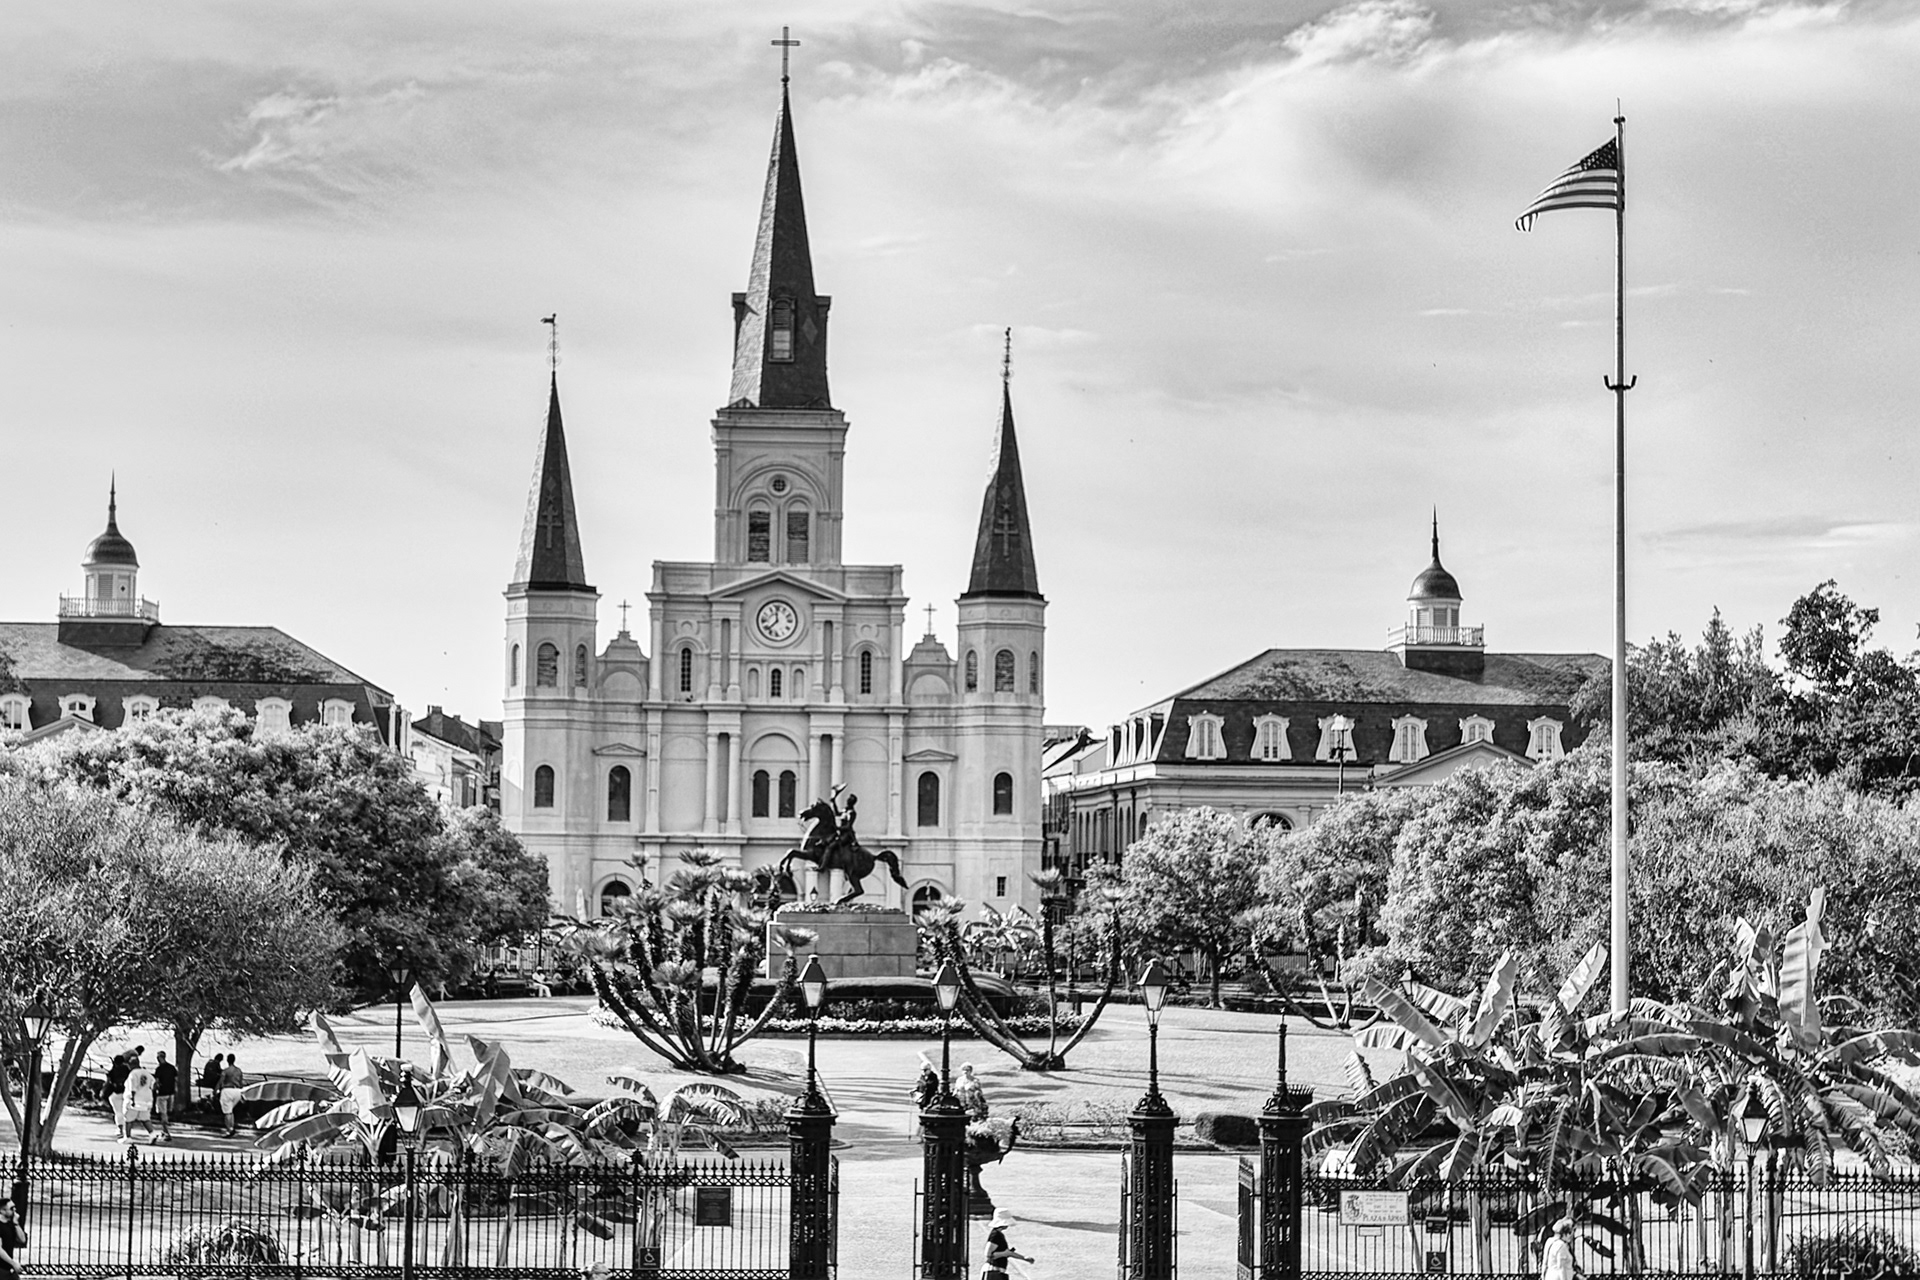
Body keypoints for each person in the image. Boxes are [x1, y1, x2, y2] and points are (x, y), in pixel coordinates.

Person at [982, 1211, 1032, 1279]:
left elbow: (1008, 1253)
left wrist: (1023, 1258)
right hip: (994, 1269)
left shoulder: (998, 1234)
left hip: (997, 1270)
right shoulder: (995, 1235)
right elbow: (988, 1254)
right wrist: (1003, 1253)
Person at [123, 1060, 158, 1144]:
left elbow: (132, 1088)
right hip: (146, 1099)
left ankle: (127, 1137)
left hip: (135, 1099)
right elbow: (155, 1083)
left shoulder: (132, 1074)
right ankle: (152, 1134)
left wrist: (132, 1099)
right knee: (145, 1119)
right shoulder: (147, 1073)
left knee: (128, 1119)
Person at [104, 1048, 134, 1135]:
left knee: (118, 1112)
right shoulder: (127, 1070)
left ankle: (120, 1129)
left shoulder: (112, 1071)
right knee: (126, 1112)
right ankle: (127, 1130)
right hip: (126, 1093)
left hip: (115, 1093)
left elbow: (108, 1082)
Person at [151, 1051, 177, 1142]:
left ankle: (166, 1132)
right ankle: (164, 1130)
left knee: (163, 1113)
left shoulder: (159, 1069)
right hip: (171, 1093)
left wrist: (153, 1089)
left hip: (162, 1093)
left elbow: (157, 1081)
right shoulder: (172, 1068)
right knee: (168, 1112)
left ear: (159, 1058)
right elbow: (176, 1080)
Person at [218, 1054, 246, 1137]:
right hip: (237, 1091)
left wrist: (216, 1090)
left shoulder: (226, 1071)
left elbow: (221, 1081)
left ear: (227, 1060)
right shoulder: (239, 1071)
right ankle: (232, 1127)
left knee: (227, 1112)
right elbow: (241, 1082)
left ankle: (229, 1130)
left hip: (227, 1090)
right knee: (230, 1111)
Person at [0, 1199, 27, 1280]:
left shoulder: (11, 1224)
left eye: (15, 1207)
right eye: (11, 1208)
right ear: (2, 1211)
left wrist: (16, 1223)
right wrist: (13, 1263)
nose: (15, 1210)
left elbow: (22, 1240)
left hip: (7, 1267)